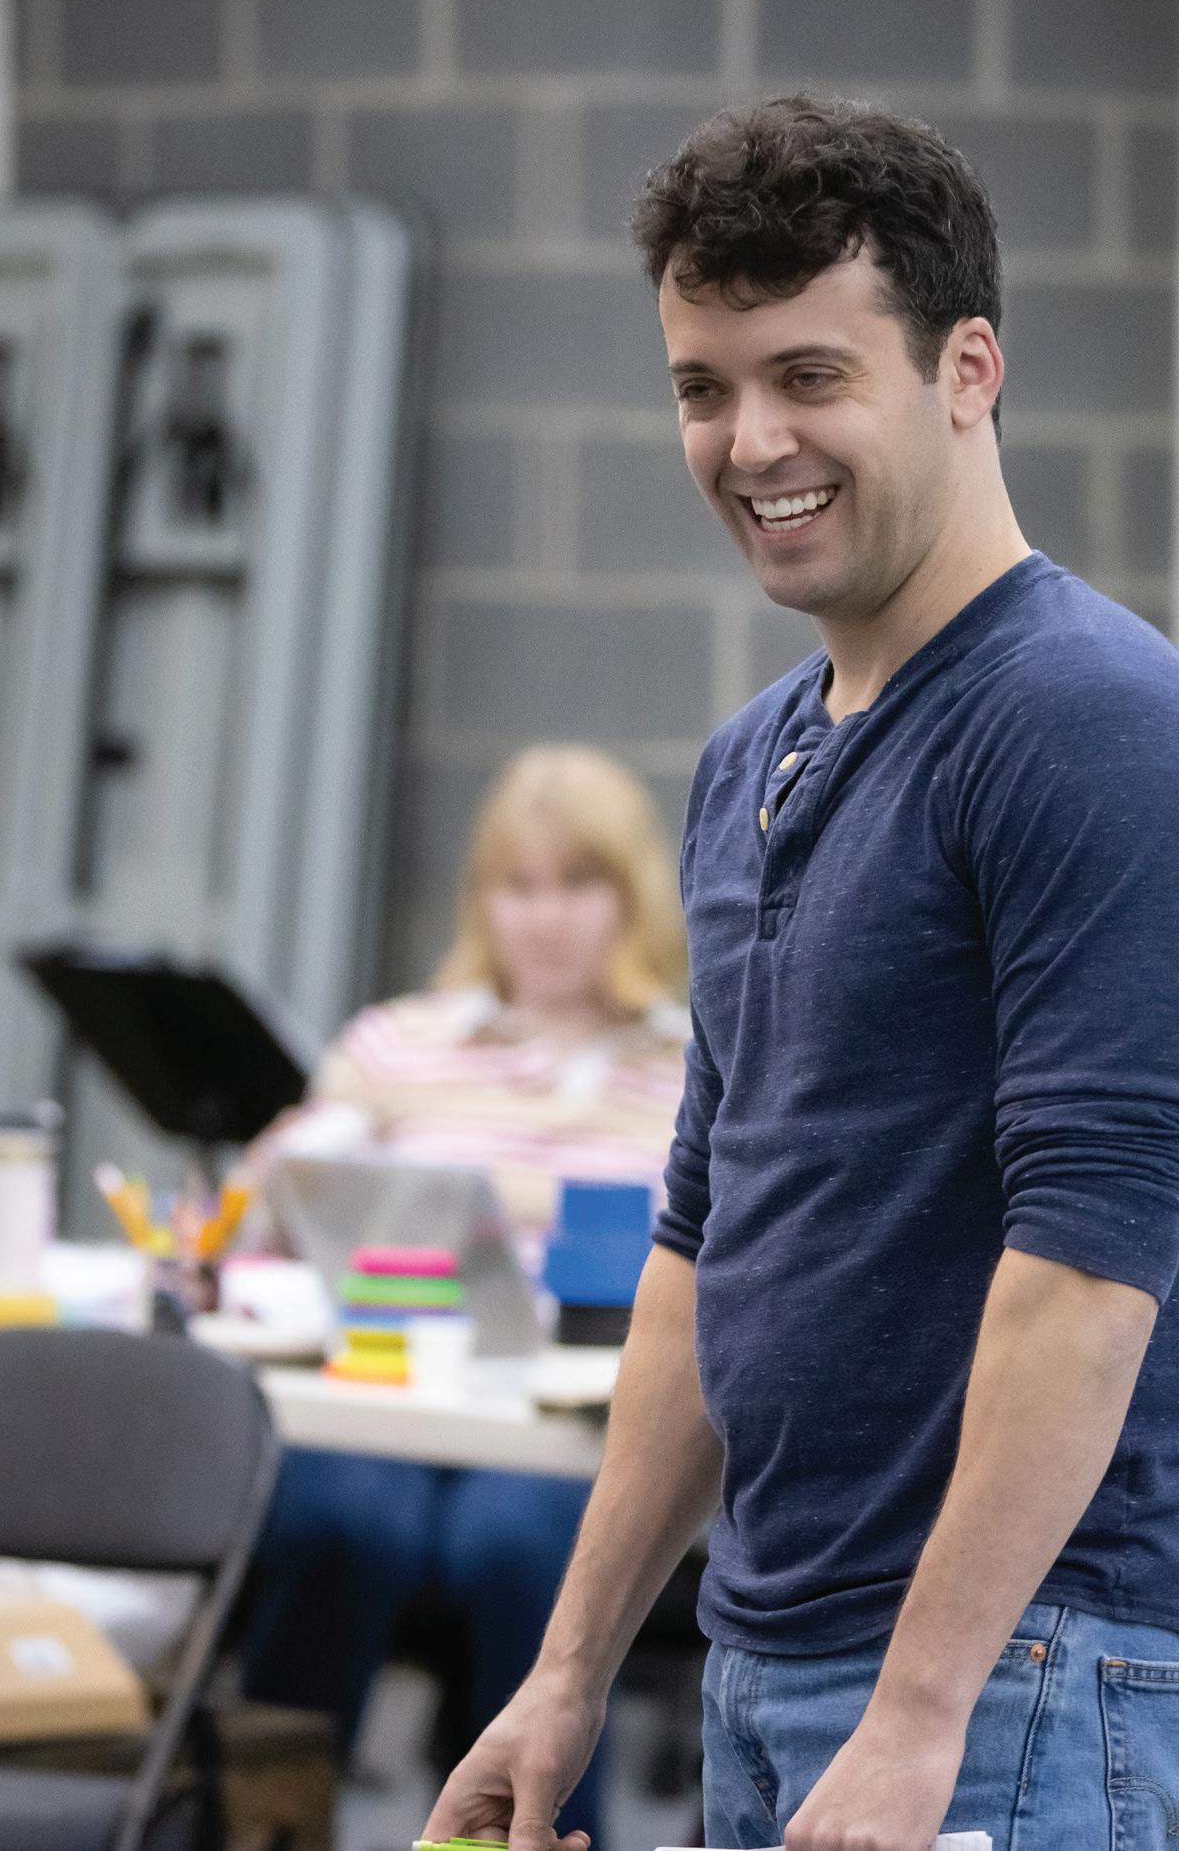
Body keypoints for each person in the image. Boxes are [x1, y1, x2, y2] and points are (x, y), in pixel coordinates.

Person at [424, 97, 1179, 1851]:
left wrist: (918, 1712)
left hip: (1011, 1680)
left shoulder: (1095, 728)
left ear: (968, 370)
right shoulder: (752, 759)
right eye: (702, 386)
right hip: (771, 1658)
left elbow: (1086, 1274)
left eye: (809, 375)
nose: (751, 442)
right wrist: (569, 1666)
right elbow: (702, 1243)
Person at [241, 743, 690, 1847]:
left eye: (577, 885)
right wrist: (289, 1166)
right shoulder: (395, 1043)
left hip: (565, 1423)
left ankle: (533, 1831)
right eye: (517, 885)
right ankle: (261, 1818)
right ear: (481, 899)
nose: (546, 917)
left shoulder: (693, 1065)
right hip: (390, 1395)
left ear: (630, 898)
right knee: (334, 1521)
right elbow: (272, 1210)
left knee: (521, 1547)